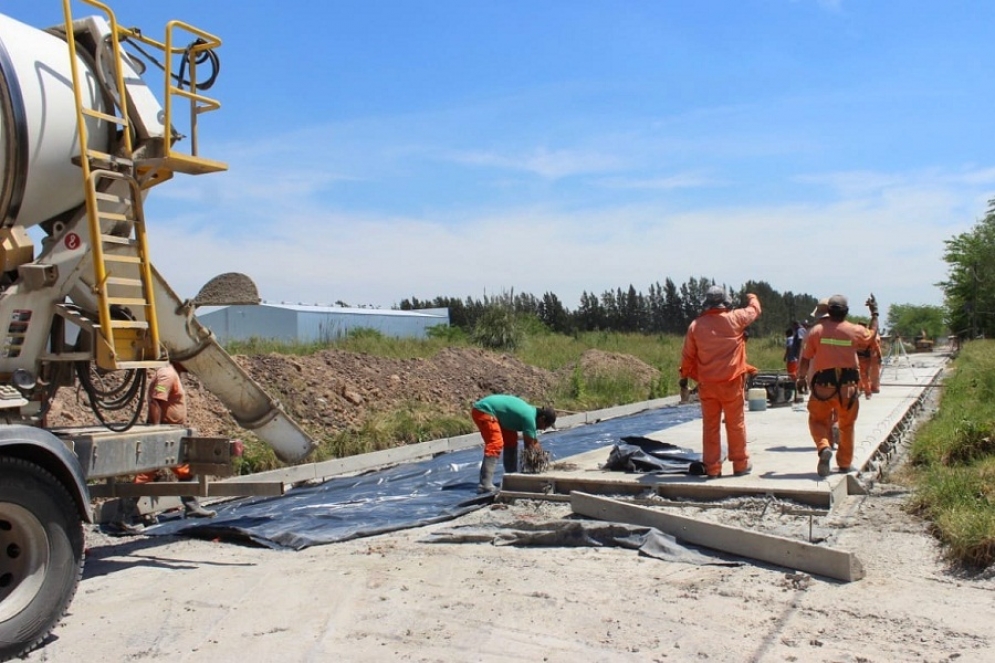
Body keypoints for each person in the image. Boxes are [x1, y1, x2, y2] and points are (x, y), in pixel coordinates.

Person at [679, 286, 762, 479]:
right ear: (726, 301)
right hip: (732, 383)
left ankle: (713, 468)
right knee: (736, 425)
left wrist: (685, 376)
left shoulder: (695, 326)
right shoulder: (737, 318)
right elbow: (755, 310)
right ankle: (740, 465)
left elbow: (688, 356)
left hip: (708, 385)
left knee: (710, 427)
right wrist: (752, 297)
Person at [797, 295, 879, 477]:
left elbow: (805, 358)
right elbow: (872, 335)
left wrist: (801, 378)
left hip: (823, 387)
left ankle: (824, 446)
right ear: (846, 312)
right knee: (846, 425)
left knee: (817, 420)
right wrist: (874, 313)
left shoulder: (816, 331)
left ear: (827, 311)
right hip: (848, 388)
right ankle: (844, 463)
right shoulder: (854, 330)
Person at [136, 361, 216, 518]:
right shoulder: (167, 375)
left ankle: (192, 507)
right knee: (145, 475)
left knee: (185, 471)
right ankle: (120, 517)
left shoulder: (173, 375)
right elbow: (155, 401)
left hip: (171, 433)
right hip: (164, 432)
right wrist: (157, 431)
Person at [471, 394, 556, 493]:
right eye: (546, 426)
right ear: (542, 419)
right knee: (496, 443)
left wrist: (543, 460)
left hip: (498, 415)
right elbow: (529, 446)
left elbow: (534, 441)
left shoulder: (531, 414)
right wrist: (536, 466)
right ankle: (484, 484)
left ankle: (511, 476)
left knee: (511, 441)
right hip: (484, 410)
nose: (544, 429)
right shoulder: (529, 418)